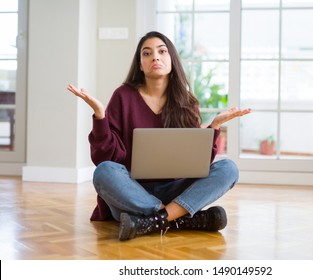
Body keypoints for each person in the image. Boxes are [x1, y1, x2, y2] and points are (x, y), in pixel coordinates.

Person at [67, 31, 251, 241]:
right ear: (140, 64)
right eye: (147, 53)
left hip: (175, 190)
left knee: (228, 168)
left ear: (171, 59)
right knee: (104, 172)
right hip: (133, 192)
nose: (155, 57)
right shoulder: (123, 96)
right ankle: (181, 218)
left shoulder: (187, 102)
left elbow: (196, 164)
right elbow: (106, 159)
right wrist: (100, 116)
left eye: (162, 51)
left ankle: (153, 221)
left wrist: (215, 127)